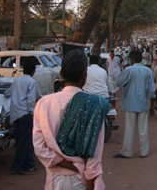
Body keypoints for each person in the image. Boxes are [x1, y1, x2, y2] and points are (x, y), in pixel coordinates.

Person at [33, 49, 110, 189]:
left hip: (55, 180)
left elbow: (40, 148)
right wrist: (81, 169)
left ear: (61, 74)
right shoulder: (94, 104)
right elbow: (95, 153)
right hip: (82, 180)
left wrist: (67, 164)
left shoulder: (44, 103)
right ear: (84, 75)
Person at [115, 50, 155, 158]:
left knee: (129, 128)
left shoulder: (128, 70)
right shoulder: (147, 71)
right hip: (143, 103)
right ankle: (144, 152)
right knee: (143, 129)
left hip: (130, 102)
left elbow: (118, 82)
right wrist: (152, 105)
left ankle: (127, 152)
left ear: (131, 59)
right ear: (141, 59)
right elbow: (152, 90)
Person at [4, 58, 37, 175]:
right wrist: (32, 113)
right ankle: (17, 166)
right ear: (33, 71)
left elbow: (8, 92)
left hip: (15, 114)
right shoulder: (31, 82)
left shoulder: (17, 80)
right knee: (24, 142)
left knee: (21, 140)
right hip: (25, 114)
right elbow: (31, 100)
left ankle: (28, 164)